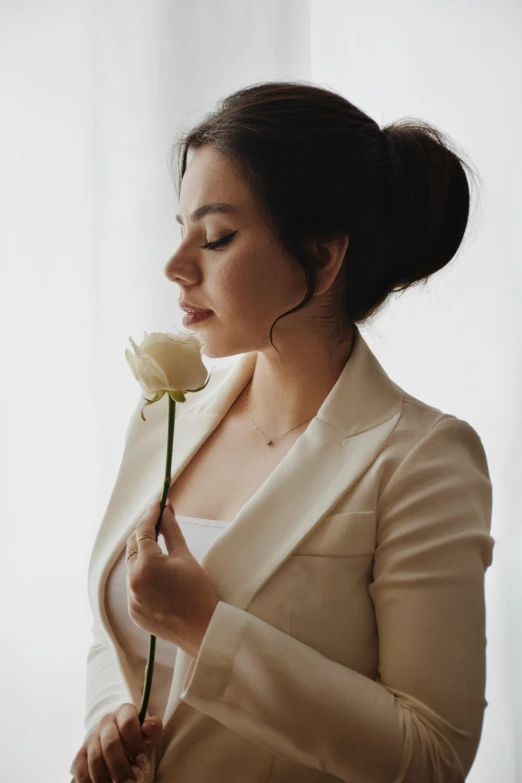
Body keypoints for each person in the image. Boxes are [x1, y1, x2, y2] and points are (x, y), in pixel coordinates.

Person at [70, 80, 494, 783]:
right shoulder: (164, 413)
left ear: (324, 259)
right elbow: (118, 625)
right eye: (180, 230)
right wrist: (110, 715)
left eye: (214, 237)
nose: (176, 266)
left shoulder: (421, 459)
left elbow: (433, 755)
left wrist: (208, 630)